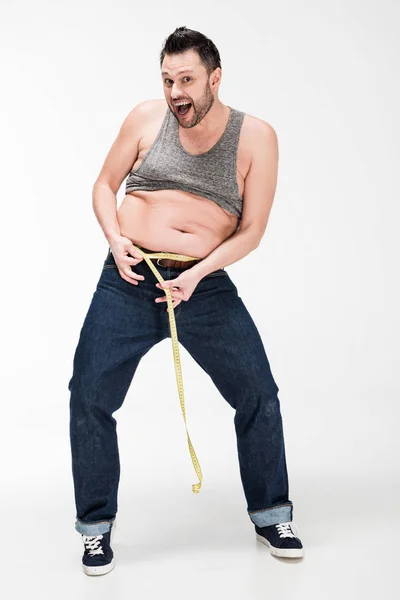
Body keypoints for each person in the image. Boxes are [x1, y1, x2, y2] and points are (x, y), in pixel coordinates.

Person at [68, 25, 304, 576]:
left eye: (188, 79)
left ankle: (273, 513)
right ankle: (95, 529)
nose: (177, 92)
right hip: (127, 278)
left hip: (201, 284)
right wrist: (115, 240)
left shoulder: (256, 137)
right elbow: (104, 185)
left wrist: (200, 273)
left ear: (215, 78)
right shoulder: (146, 118)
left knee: (258, 393)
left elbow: (252, 230)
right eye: (169, 79)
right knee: (89, 395)